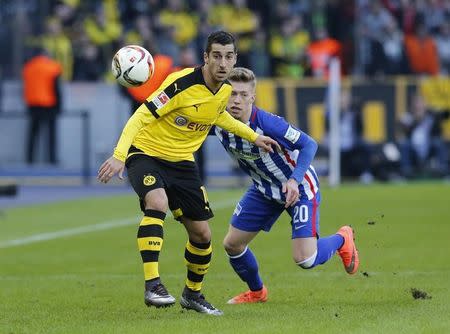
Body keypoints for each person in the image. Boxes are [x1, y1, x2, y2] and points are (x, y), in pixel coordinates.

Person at [97, 31, 279, 315]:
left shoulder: (226, 90)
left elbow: (219, 116)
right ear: (206, 57)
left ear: (234, 59)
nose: (222, 63)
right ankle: (153, 285)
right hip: (146, 152)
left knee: (202, 234)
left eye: (228, 56)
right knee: (157, 202)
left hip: (182, 163)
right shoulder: (180, 83)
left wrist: (253, 136)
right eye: (216, 56)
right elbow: (140, 117)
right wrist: (120, 155)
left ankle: (193, 295)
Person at [213, 67, 359, 304]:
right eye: (232, 94)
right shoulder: (218, 120)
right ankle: (257, 293)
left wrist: (294, 179)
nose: (236, 100)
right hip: (264, 189)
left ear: (253, 97)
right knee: (232, 244)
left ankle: (343, 238)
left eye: (242, 94)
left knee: (305, 259)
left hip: (299, 188)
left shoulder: (268, 124)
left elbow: (309, 144)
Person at [22, 47, 63, 165]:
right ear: (45, 54)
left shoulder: (28, 67)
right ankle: (52, 159)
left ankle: (29, 159)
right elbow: (56, 88)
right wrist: (59, 105)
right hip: (49, 104)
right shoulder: (53, 67)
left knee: (33, 134)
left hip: (32, 104)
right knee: (51, 134)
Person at [398, 94, 449, 178]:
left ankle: (443, 171)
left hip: (429, 145)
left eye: (421, 103)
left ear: (425, 104)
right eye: (416, 103)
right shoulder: (408, 116)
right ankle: (405, 172)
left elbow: (445, 115)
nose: (419, 105)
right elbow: (404, 130)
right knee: (405, 144)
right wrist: (416, 120)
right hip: (413, 146)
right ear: (412, 105)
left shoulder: (432, 115)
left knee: (438, 143)